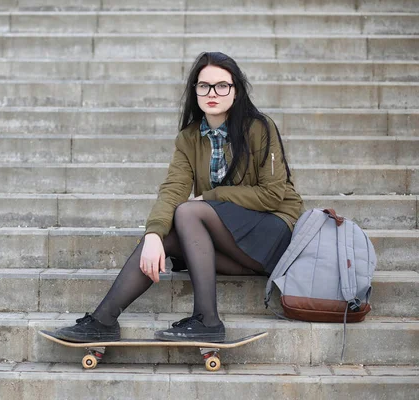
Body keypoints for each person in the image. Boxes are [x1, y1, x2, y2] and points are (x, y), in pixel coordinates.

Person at [53, 51, 304, 343]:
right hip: (235, 248)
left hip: (272, 235)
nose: (212, 93)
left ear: (235, 91)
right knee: (170, 233)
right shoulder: (188, 138)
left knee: (188, 212)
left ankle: (208, 321)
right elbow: (173, 189)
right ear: (194, 91)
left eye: (222, 85)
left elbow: (273, 195)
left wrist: (209, 196)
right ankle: (103, 320)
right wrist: (153, 235)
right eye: (204, 86)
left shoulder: (259, 128)